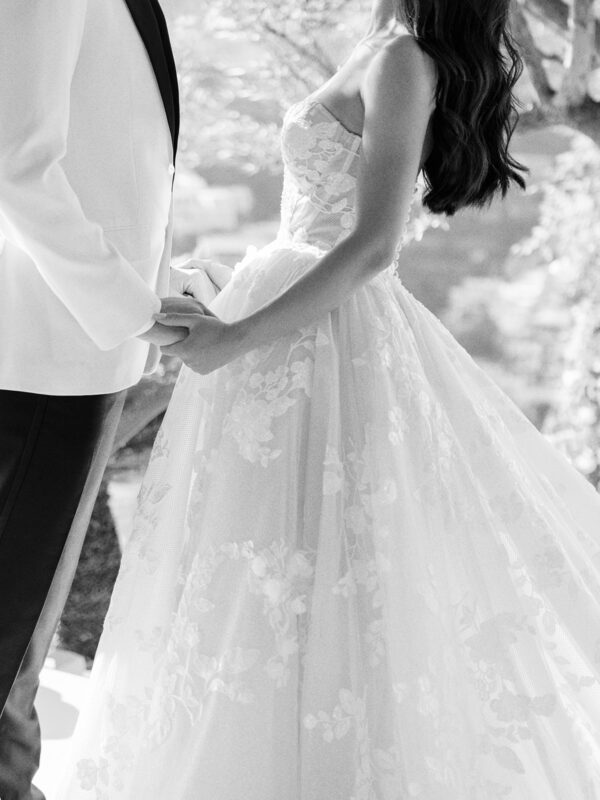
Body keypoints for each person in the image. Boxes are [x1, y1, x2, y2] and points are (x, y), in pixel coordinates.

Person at [60, 0, 600, 798]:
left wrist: (236, 339)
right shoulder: (381, 47)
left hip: (325, 338)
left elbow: (374, 245)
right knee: (263, 567)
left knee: (317, 567)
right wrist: (223, 297)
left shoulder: (402, 59)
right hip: (290, 315)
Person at [0, 3, 226, 798]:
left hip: (76, 351)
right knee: (13, 634)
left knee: (24, 636)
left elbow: (113, 160)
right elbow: (16, 161)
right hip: (43, 357)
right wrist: (132, 310)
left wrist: (156, 290)